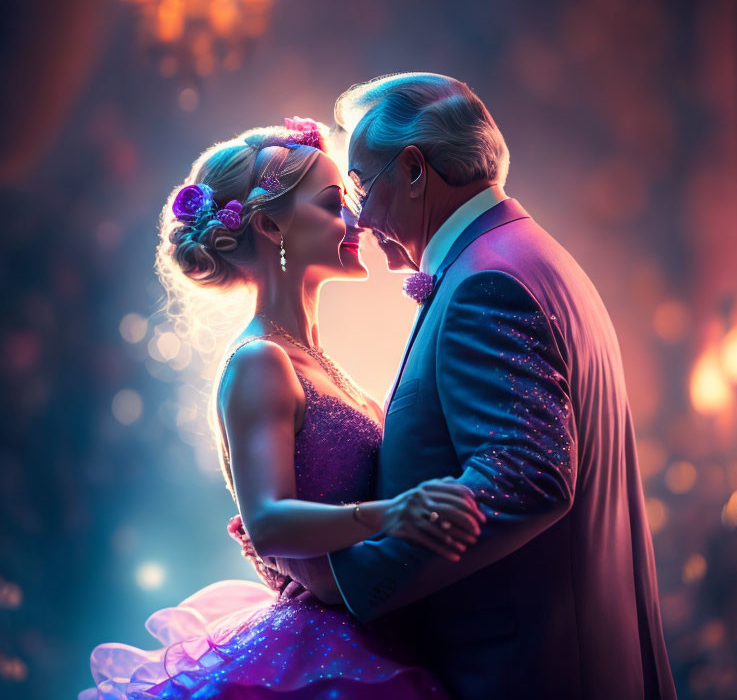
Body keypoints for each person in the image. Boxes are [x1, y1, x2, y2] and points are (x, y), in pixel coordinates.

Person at [270, 74, 679, 700]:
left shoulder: (485, 284)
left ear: (414, 169)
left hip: (526, 672)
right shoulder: (523, 258)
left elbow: (525, 477)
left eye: (360, 185)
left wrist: (348, 581)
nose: (357, 216)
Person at [78, 116, 487, 699]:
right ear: (271, 225)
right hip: (323, 653)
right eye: (332, 204)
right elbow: (268, 522)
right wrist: (391, 514)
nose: (357, 221)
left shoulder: (311, 359)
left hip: (363, 625)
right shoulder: (260, 361)